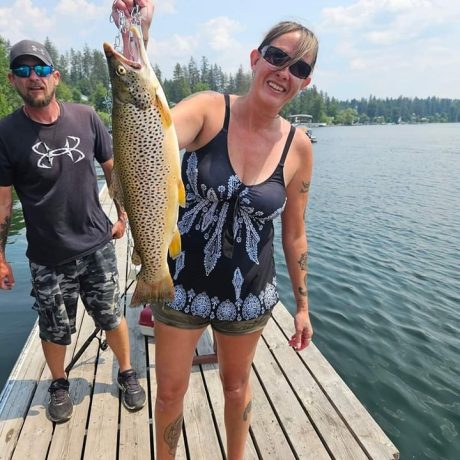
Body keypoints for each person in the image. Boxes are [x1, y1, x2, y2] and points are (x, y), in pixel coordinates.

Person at [112, 1, 317, 458]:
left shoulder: (299, 147)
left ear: (305, 82)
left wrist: (302, 307)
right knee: (168, 394)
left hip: (248, 294)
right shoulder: (208, 109)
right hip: (178, 284)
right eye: (277, 56)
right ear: (255, 58)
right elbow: (146, 123)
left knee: (237, 389)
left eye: (298, 66)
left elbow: (295, 234)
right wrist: (137, 37)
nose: (284, 71)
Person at [0, 38, 146, 423]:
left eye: (42, 70)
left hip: (97, 243)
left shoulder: (86, 117)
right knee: (53, 326)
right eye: (25, 71)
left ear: (56, 77)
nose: (35, 78)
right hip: (47, 255)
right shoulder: (6, 133)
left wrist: (123, 217)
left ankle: (127, 372)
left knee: (111, 315)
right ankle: (59, 383)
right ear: (13, 80)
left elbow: (115, 170)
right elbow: (2, 202)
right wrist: (0, 256)